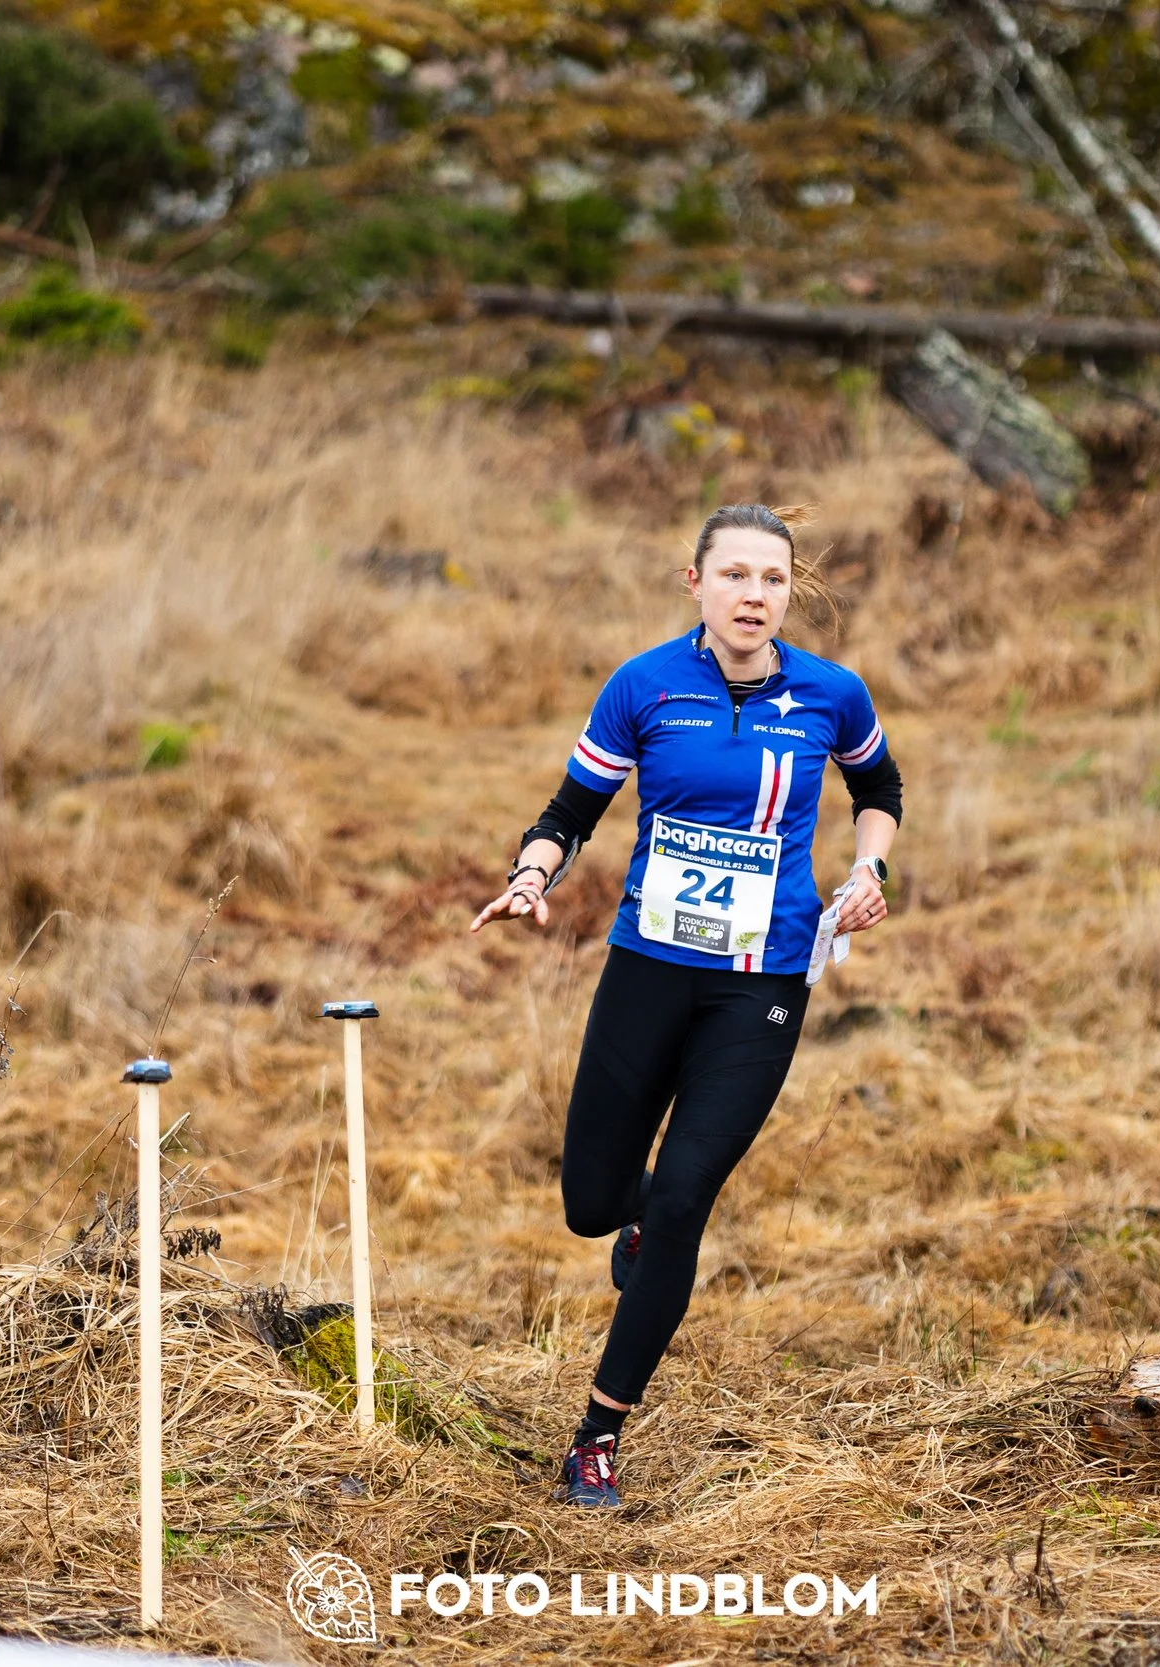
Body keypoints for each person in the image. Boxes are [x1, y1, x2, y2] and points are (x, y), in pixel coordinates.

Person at [468, 503, 902, 1509]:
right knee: (591, 1200)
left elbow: (879, 785)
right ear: (695, 582)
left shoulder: (829, 694)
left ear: (789, 593)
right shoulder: (644, 685)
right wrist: (532, 875)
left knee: (682, 1199)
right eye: (736, 575)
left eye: (772, 579)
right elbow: (570, 812)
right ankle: (631, 1225)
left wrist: (868, 865)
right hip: (649, 966)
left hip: (762, 982)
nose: (754, 594)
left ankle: (596, 1438)